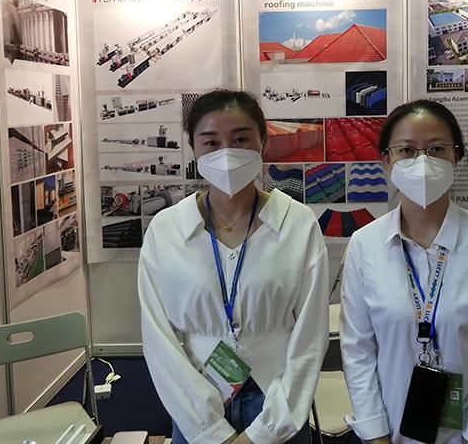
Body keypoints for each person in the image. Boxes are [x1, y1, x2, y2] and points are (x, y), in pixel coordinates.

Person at [138, 89, 329, 444]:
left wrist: (269, 430)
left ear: (263, 143)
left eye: (240, 139)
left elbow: (310, 335)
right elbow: (158, 338)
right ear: (193, 148)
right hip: (197, 408)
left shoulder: (297, 223)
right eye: (211, 142)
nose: (226, 153)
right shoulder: (166, 230)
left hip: (277, 402)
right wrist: (209, 431)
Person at [339, 99, 468, 444]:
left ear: (456, 157)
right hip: (393, 429)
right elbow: (357, 349)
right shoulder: (364, 244)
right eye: (406, 150)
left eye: (437, 148)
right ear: (387, 160)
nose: (422, 162)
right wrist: (375, 432)